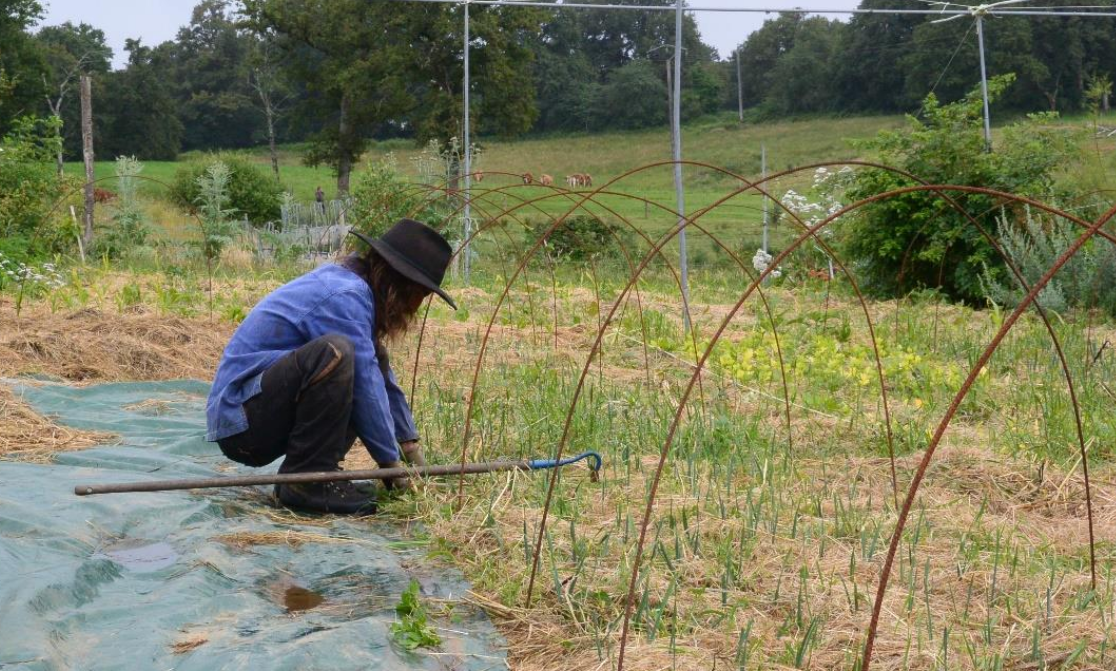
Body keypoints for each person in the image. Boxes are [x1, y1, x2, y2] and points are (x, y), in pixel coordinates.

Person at [205, 219, 457, 515]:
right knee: (336, 353)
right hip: (242, 422)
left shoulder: (356, 291)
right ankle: (305, 482)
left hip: (260, 412)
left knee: (366, 355)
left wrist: (413, 457)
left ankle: (321, 476)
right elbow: (365, 384)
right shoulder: (345, 296)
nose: (417, 307)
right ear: (401, 283)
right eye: (421, 295)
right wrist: (391, 470)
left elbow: (381, 380)